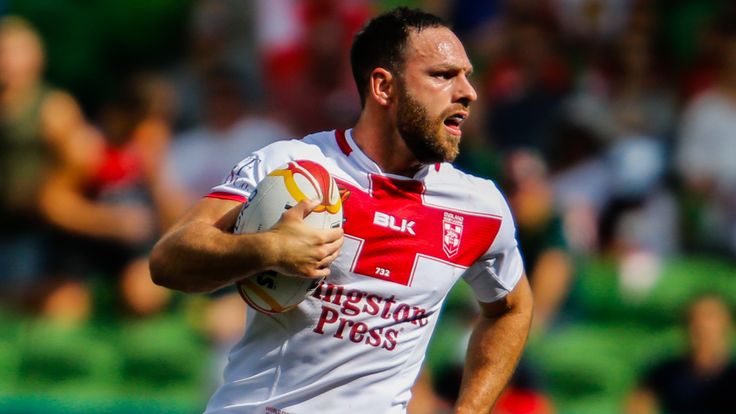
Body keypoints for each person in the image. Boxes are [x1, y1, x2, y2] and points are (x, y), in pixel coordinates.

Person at [150, 7, 533, 413]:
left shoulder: (481, 208)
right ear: (384, 87)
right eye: (443, 75)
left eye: (467, 75)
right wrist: (270, 250)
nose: (468, 91)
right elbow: (169, 258)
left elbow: (511, 309)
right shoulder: (294, 166)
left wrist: (469, 410)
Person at [625, 294, 736, 414]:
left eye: (711, 318)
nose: (703, 326)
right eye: (695, 320)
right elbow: (638, 405)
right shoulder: (664, 373)